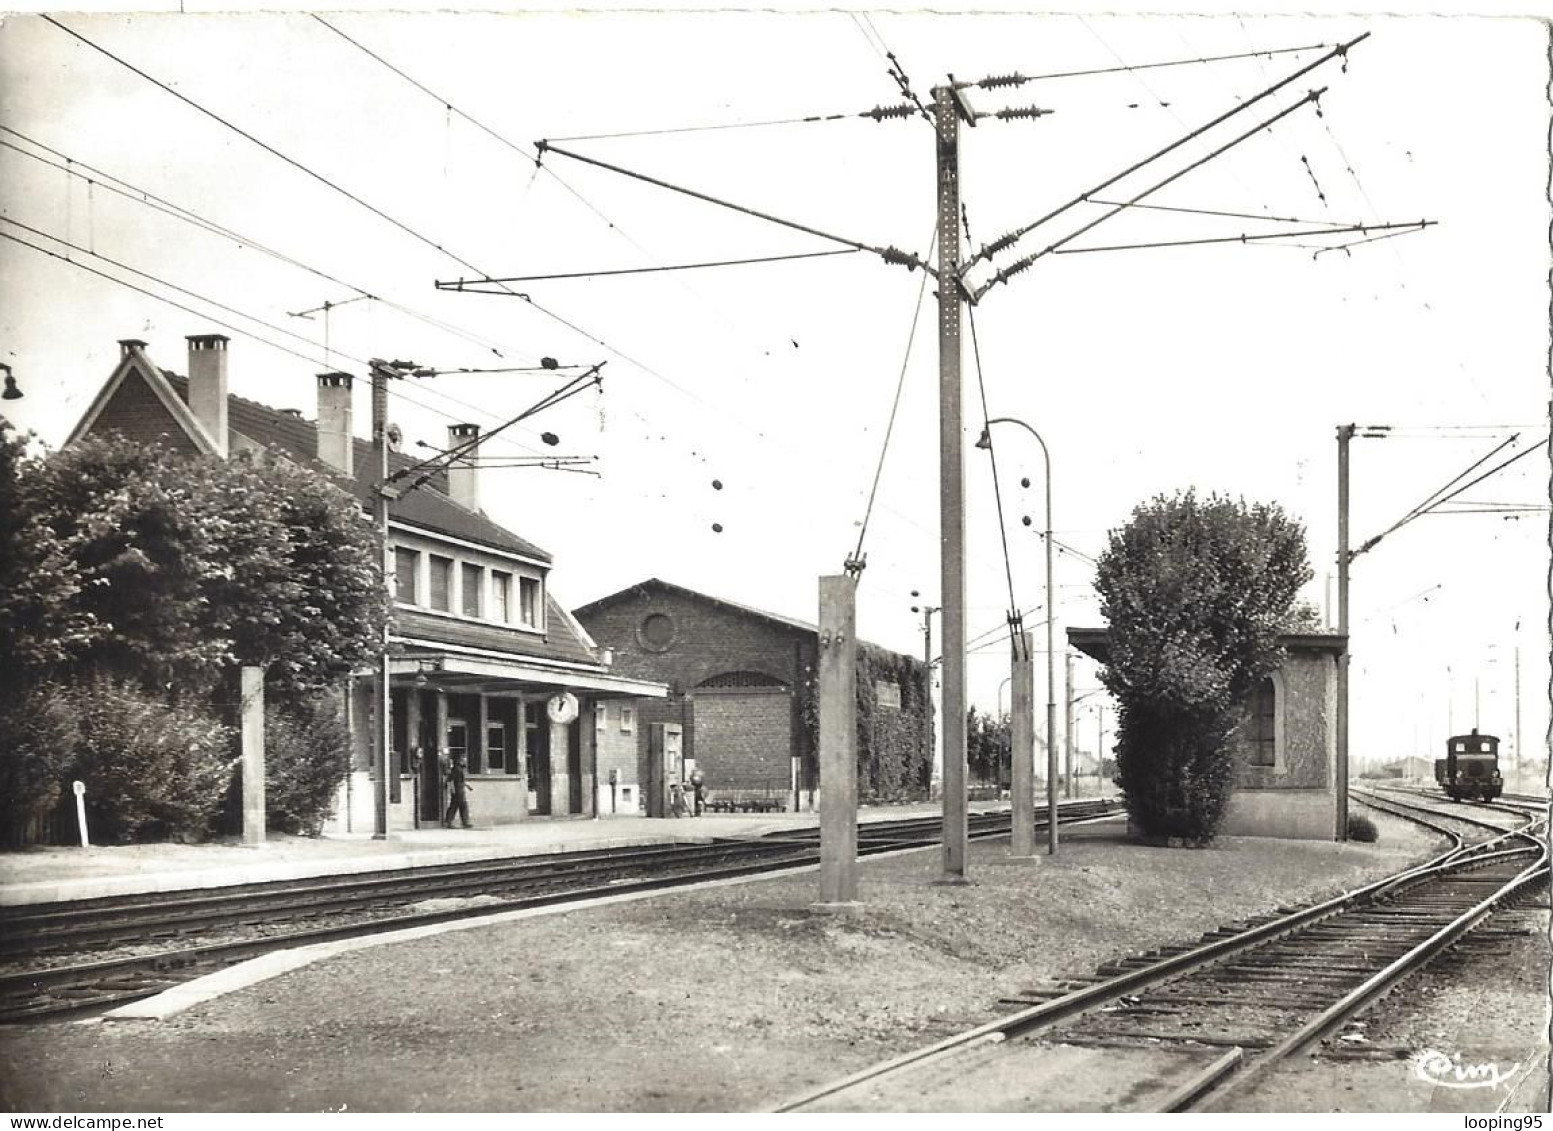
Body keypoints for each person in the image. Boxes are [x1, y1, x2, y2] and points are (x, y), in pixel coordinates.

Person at [443, 751, 472, 829]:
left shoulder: (460, 769)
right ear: (460, 760)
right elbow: (451, 780)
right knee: (463, 806)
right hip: (457, 790)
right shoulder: (456, 769)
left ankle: (448, 821)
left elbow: (461, 780)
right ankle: (464, 822)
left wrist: (467, 786)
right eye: (464, 759)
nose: (465, 760)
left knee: (454, 805)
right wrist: (453, 790)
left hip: (460, 789)